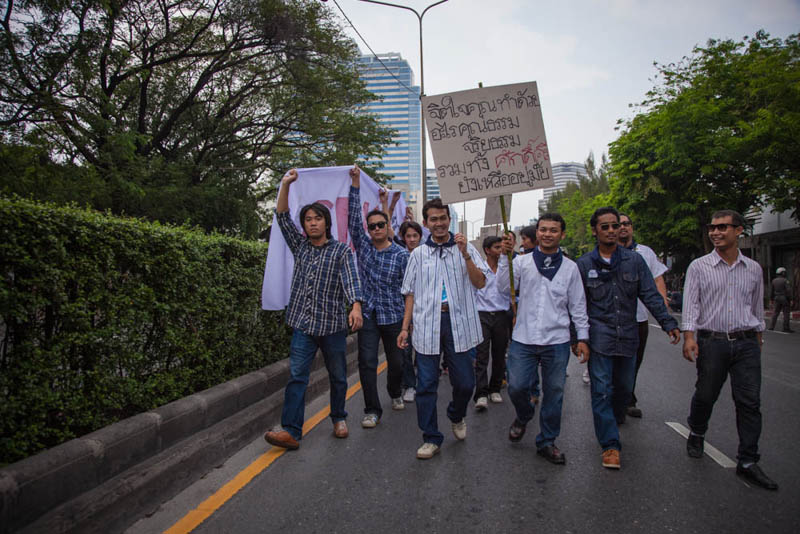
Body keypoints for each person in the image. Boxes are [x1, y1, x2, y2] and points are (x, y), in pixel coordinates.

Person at [264, 169, 363, 450]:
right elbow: (282, 217)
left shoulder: (341, 251)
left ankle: (338, 417)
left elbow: (351, 280)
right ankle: (291, 431)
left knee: (338, 376)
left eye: (317, 218)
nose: (312, 223)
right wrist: (285, 184)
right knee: (297, 377)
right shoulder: (300, 246)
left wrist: (356, 306)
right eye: (308, 219)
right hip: (303, 326)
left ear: (326, 222)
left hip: (332, 327)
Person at [576, 206, 680, 469]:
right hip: (599, 338)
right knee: (601, 391)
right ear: (595, 231)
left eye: (616, 225)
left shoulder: (635, 261)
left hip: (628, 337)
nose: (613, 230)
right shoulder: (584, 264)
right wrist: (578, 340)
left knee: (623, 389)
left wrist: (667, 322)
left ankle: (615, 416)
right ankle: (610, 445)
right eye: (606, 226)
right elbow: (576, 306)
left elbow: (650, 294)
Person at [682, 210, 778, 490]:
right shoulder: (699, 267)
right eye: (712, 228)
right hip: (713, 342)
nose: (716, 232)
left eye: (723, 227)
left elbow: (756, 306)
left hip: (746, 342)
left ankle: (747, 461)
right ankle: (697, 430)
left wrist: (758, 337)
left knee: (749, 402)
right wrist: (689, 337)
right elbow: (691, 304)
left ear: (739, 231)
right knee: (706, 394)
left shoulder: (753, 268)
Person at [397, 198, 488, 459]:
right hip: (427, 324)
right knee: (426, 384)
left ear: (449, 220)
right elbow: (410, 293)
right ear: (426, 223)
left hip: (459, 323)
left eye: (443, 218)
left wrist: (465, 254)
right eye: (433, 219)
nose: (439, 223)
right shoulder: (418, 254)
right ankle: (431, 437)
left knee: (465, 383)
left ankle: (456, 414)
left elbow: (480, 282)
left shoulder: (465, 248)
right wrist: (405, 328)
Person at [498, 213, 590, 464]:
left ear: (562, 234)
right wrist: (505, 258)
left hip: (557, 340)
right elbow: (503, 289)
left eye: (553, 230)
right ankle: (524, 414)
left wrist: (583, 338)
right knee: (516, 387)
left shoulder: (570, 268)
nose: (547, 234)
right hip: (523, 338)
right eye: (543, 229)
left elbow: (578, 306)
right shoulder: (521, 262)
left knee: (554, 393)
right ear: (537, 233)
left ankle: (547, 440)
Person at [348, 165, 410, 428]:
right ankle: (372, 409)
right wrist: (355, 184)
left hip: (394, 316)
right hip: (369, 315)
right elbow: (353, 219)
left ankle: (395, 391)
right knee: (367, 363)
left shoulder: (402, 255)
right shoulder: (364, 247)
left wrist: (407, 324)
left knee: (397, 363)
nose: (375, 229)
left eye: (380, 225)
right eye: (371, 226)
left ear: (387, 226)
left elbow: (409, 292)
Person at [617, 213, 670, 419]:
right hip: (614, 319)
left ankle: (628, 398)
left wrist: (662, 306)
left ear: (632, 227)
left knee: (635, 361)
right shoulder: (608, 252)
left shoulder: (645, 253)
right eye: (618, 224)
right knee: (614, 363)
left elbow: (657, 279)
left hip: (639, 319)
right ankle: (615, 398)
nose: (623, 227)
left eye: (626, 224)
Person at [473, 236, 512, 410]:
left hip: (502, 315)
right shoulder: (479, 268)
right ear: (487, 250)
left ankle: (495, 388)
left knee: (499, 354)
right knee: (482, 355)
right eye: (496, 247)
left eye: (501, 247)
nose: (500, 250)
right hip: (482, 315)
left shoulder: (507, 268)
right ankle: (481, 393)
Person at [398, 221, 424, 403]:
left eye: (415, 236)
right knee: (405, 351)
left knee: (423, 350)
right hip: (403, 309)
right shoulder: (399, 255)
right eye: (408, 236)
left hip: (423, 310)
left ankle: (424, 383)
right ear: (403, 238)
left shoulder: (426, 256)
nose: (412, 239)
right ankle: (410, 385)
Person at [769, 267, 793, 333]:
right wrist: (791, 299)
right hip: (784, 298)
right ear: (783, 273)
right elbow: (788, 290)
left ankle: (771, 327)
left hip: (776, 298)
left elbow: (771, 291)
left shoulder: (774, 281)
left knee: (775, 313)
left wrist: (771, 299)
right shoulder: (785, 281)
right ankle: (786, 328)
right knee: (786, 313)